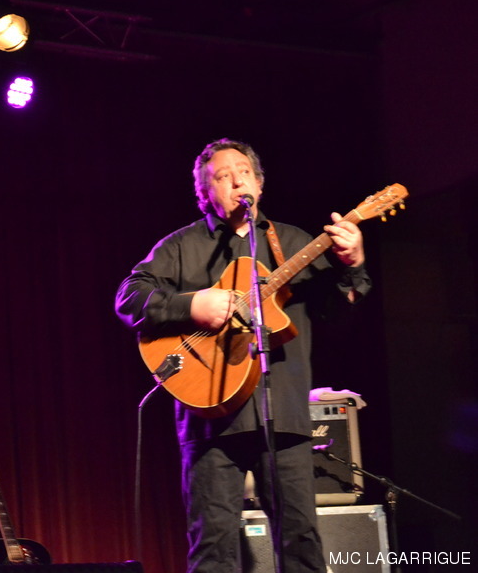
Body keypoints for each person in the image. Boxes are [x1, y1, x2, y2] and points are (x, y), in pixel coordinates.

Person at [114, 138, 371, 573]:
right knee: (213, 550)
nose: (236, 181)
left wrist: (353, 263)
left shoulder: (293, 241)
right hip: (208, 419)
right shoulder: (180, 247)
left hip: (283, 415)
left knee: (301, 543)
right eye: (222, 176)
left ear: (260, 184)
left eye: (244, 172)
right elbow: (129, 297)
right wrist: (193, 305)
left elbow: (337, 312)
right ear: (204, 194)